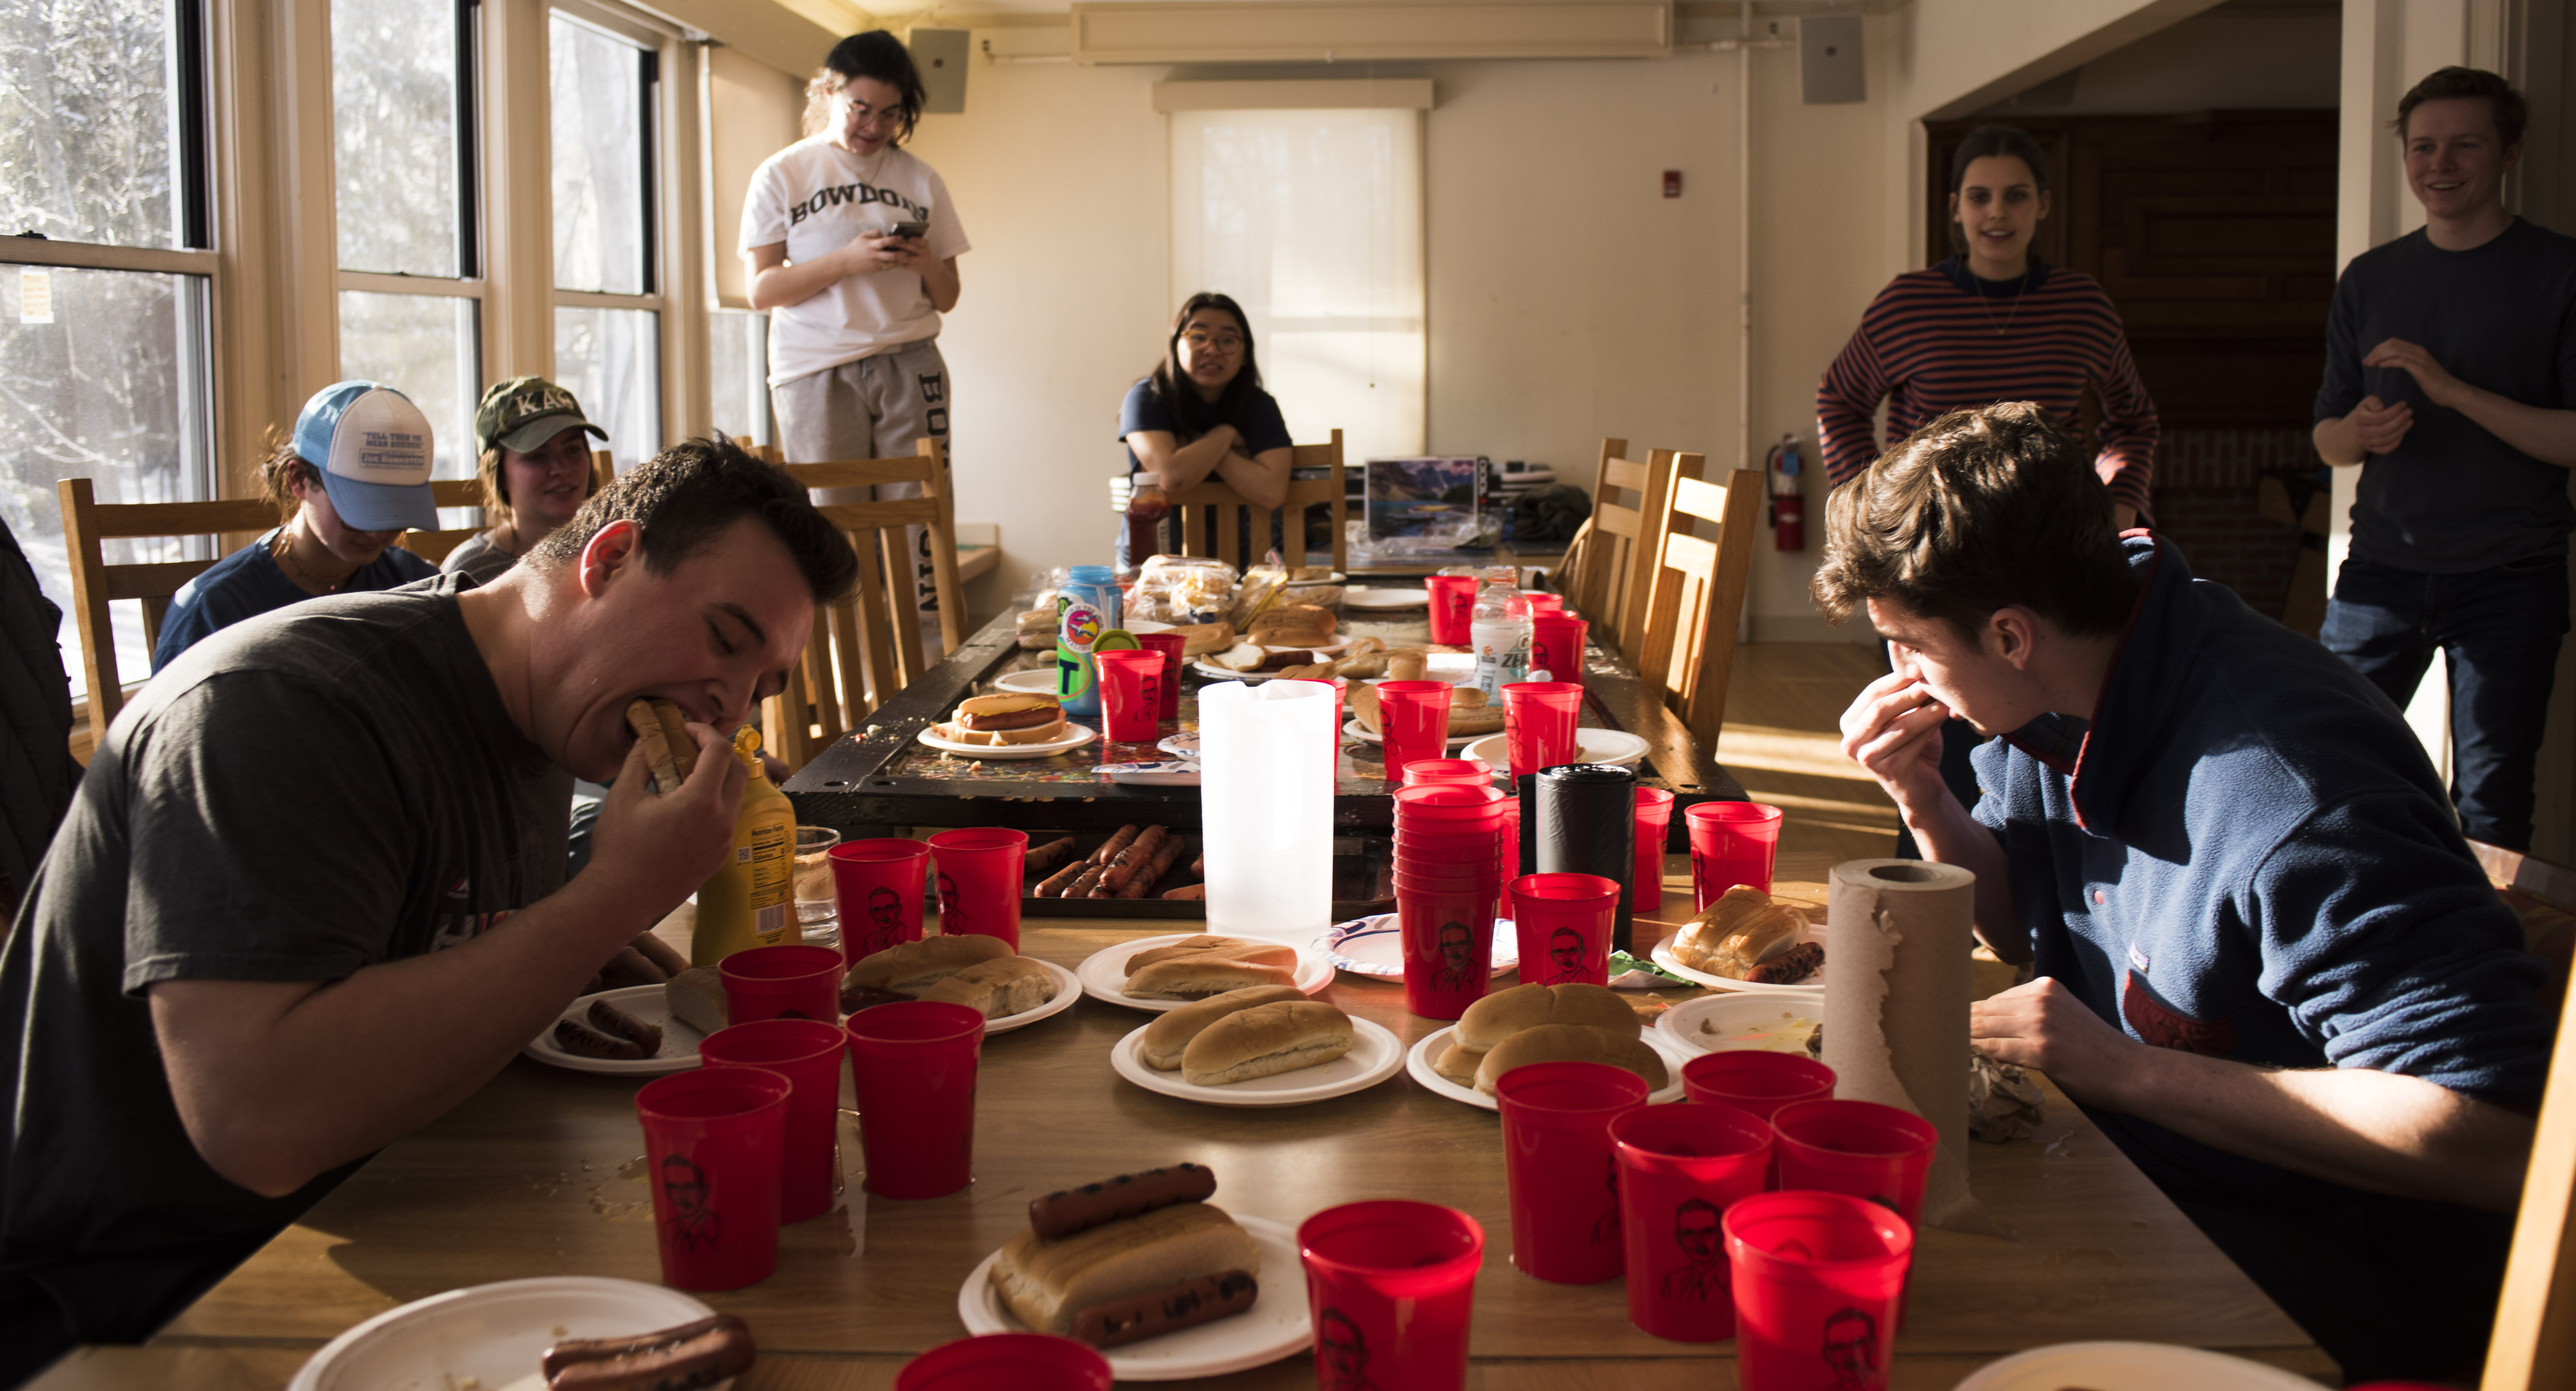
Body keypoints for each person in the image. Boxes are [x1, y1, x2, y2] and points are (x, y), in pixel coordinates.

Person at [0, 437, 859, 1382]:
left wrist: (582, 941)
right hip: (142, 1299)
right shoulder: (283, 708)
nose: (728, 708)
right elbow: (260, 1120)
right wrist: (609, 900)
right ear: (608, 559)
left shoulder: (548, 715)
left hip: (388, 1202)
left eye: (758, 686)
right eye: (726, 640)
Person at [1821, 403, 2549, 1381]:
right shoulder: (2072, 671)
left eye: (1910, 645)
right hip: (2137, 1164)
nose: (1903, 676)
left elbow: (2497, 1139)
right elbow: (2022, 928)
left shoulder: (2292, 794)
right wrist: (1923, 791)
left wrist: (2123, 1068)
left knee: (1918, 1329)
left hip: (2345, 1267)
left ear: (2009, 633)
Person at [1815, 127, 2159, 844]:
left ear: (2043, 206)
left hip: (2046, 556)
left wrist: (2117, 503)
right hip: (1929, 561)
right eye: (1979, 196)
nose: (1996, 212)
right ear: (1955, 208)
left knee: (2046, 743)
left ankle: (2042, 906)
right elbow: (1840, 399)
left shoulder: (2082, 303)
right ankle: (1930, 894)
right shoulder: (1907, 303)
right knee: (1930, 745)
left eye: (2014, 195)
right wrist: (1873, 513)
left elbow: (2132, 418)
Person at [2312, 66, 2576, 853]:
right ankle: (2352, 951)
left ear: (2508, 152)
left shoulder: (2558, 271)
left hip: (2512, 574)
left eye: (2465, 145)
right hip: (2380, 573)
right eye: (2424, 147)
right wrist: (2360, 428)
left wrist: (2453, 392)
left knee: (2494, 801)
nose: (2440, 164)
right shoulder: (2372, 277)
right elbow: (2328, 440)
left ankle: (2497, 975)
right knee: (2324, 761)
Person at [741, 29, 968, 638]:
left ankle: (927, 672)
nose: (873, 126)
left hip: (908, 360)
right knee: (832, 524)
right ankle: (853, 684)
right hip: (813, 367)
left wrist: (923, 262)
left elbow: (947, 296)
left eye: (890, 114)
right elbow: (761, 290)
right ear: (829, 91)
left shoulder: (921, 178)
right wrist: (845, 261)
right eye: (860, 108)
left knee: (920, 521)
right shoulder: (784, 173)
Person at [150, 381, 441, 673]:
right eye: (361, 512)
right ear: (299, 479)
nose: (378, 533)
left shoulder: (416, 585)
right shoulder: (214, 611)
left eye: (395, 514)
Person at [1117, 293, 1294, 568]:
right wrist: (1224, 436)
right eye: (1198, 336)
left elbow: (1272, 492)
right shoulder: (1146, 397)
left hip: (1238, 564)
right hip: (1154, 565)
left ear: (1245, 354)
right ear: (1176, 344)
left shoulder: (1260, 406)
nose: (1212, 349)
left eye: (1227, 340)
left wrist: (1196, 447)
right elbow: (1171, 477)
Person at [442, 377, 609, 588]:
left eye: (573, 450)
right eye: (537, 456)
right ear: (498, 474)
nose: (562, 468)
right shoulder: (471, 573)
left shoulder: (616, 552)